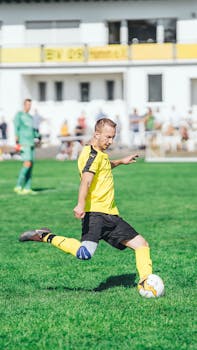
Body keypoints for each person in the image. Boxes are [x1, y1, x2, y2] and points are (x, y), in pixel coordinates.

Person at [19, 118, 153, 289]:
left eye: (113, 137)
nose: (110, 141)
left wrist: (120, 161)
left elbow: (103, 167)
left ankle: (145, 282)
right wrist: (80, 204)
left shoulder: (98, 154)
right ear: (97, 134)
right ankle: (44, 236)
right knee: (85, 254)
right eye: (108, 137)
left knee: (142, 245)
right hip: (95, 215)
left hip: (111, 215)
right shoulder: (92, 155)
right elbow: (86, 181)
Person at [13, 98, 39, 195]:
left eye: (30, 105)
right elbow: (16, 126)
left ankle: (27, 188)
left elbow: (33, 130)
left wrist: (37, 136)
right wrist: (16, 138)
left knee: (31, 165)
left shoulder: (30, 117)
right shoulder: (19, 115)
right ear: (24, 105)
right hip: (24, 143)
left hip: (31, 142)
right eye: (27, 104)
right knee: (27, 163)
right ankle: (18, 185)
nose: (29, 106)